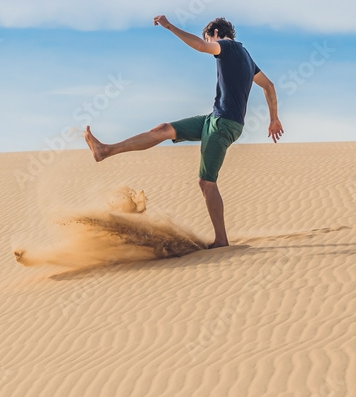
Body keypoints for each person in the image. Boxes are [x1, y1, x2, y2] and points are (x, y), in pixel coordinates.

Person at [84, 15, 283, 248]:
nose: (210, 44)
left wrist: (169, 27)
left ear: (216, 34)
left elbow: (200, 47)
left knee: (206, 182)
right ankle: (105, 150)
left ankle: (221, 240)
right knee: (164, 129)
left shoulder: (227, 47)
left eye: (209, 39)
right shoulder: (247, 58)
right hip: (215, 119)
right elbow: (269, 85)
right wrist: (274, 119)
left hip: (224, 124)